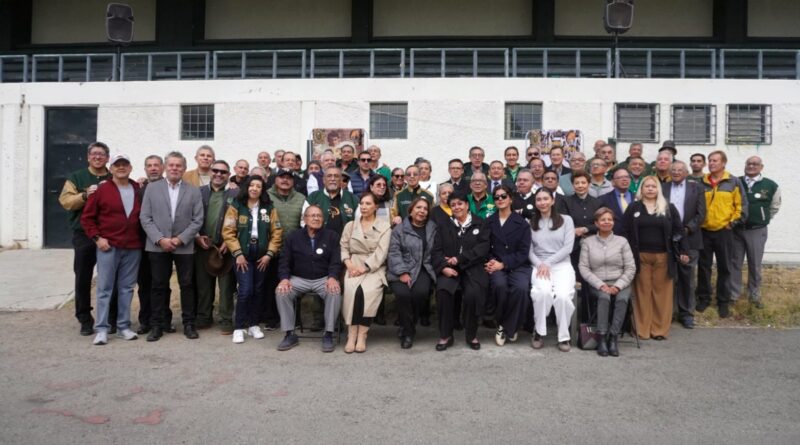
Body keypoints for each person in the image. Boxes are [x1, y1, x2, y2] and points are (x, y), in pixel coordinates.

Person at [140, 151, 204, 341]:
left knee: (187, 285)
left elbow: (198, 219)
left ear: (184, 168)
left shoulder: (193, 191)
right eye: (171, 165)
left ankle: (189, 323)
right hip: (157, 245)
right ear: (165, 167)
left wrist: (180, 239)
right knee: (158, 285)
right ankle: (157, 325)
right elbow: (145, 217)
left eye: (178, 165)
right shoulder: (152, 189)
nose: (175, 168)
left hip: (184, 246)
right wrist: (160, 239)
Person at [80, 154, 142, 345]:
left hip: (133, 246)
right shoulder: (102, 190)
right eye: (117, 165)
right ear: (111, 168)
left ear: (130, 168)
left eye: (125, 164)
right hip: (108, 246)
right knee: (104, 289)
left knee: (127, 288)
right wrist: (97, 238)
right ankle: (102, 329)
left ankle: (123, 327)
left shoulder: (137, 189)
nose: (121, 168)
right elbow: (87, 218)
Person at [58, 141, 115, 336]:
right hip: (83, 234)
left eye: (101, 154)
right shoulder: (76, 177)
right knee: (83, 276)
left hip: (108, 234)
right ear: (88, 157)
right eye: (94, 154)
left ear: (107, 158)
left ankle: (110, 316)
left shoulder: (113, 176)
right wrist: (84, 195)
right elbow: (65, 201)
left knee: (111, 277)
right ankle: (84, 318)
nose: (97, 157)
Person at [623, 176, 688, 340]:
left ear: (658, 189)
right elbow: (625, 231)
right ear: (641, 189)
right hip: (640, 257)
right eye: (647, 186)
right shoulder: (633, 207)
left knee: (662, 294)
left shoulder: (668, 208)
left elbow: (679, 231)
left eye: (653, 186)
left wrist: (684, 251)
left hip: (663, 257)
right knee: (642, 293)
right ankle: (642, 330)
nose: (650, 189)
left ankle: (659, 330)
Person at [222, 175, 282, 344]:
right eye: (252, 185)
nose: (255, 188)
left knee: (258, 290)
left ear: (262, 190)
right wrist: (238, 253)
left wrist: (269, 254)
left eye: (258, 186)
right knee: (245, 290)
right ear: (247, 187)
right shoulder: (236, 205)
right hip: (243, 255)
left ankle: (254, 325)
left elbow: (277, 232)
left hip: (262, 256)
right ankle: (239, 327)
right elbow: (228, 231)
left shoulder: (269, 207)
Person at [275, 205, 342, 352]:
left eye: (319, 216)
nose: (316, 218)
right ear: (304, 219)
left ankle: (328, 334)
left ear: (323, 219)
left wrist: (332, 277)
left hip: (323, 278)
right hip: (299, 278)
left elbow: (336, 261)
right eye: (312, 215)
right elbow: (284, 261)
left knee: (334, 291)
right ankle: (289, 334)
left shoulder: (332, 236)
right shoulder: (293, 236)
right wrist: (284, 279)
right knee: (282, 292)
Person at [432, 193, 491, 351]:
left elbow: (483, 249)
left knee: (473, 294)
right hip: (449, 268)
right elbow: (436, 250)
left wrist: (459, 259)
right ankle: (446, 335)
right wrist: (443, 267)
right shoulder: (443, 225)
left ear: (467, 205)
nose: (457, 207)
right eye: (453, 205)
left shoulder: (480, 223)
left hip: (472, 267)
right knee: (444, 292)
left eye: (460, 203)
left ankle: (471, 334)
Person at [579, 207, 636, 356]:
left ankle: (613, 337)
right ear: (596, 223)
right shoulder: (588, 242)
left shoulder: (622, 241)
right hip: (598, 282)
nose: (607, 222)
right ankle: (602, 337)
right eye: (603, 220)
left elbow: (630, 267)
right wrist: (601, 285)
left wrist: (618, 286)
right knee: (604, 298)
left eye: (609, 219)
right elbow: (584, 268)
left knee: (622, 299)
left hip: (620, 281)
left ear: (613, 222)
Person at [340, 192, 391, 353]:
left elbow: (382, 252)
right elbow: (344, 247)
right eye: (361, 203)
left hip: (374, 267)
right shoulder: (350, 225)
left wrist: (365, 267)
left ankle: (362, 334)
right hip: (353, 264)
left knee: (366, 293)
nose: (363, 207)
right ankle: (351, 334)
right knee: (352, 292)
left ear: (376, 206)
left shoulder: (384, 226)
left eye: (368, 204)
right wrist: (349, 264)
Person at [697, 150, 745, 318]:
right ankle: (704, 298)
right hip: (704, 231)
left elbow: (741, 206)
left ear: (723, 163)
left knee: (725, 267)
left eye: (715, 160)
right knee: (704, 267)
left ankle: (723, 302)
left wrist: (732, 223)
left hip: (724, 231)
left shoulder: (733, 182)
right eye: (710, 160)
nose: (711, 163)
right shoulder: (702, 182)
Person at [529, 188, 576, 352]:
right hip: (539, 265)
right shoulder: (531, 223)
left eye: (545, 199)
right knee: (542, 293)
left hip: (562, 265)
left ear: (552, 200)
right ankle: (539, 332)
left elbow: (568, 247)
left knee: (563, 296)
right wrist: (540, 264)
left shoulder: (566, 220)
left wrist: (548, 263)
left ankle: (564, 336)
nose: (542, 202)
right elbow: (529, 251)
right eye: (538, 199)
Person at [731, 156, 781, 309]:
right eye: (749, 163)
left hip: (757, 231)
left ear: (761, 167)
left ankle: (754, 294)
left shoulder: (770, 185)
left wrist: (763, 218)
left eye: (755, 164)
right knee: (735, 263)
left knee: (755, 263)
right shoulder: (735, 182)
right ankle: (733, 294)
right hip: (736, 230)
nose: (751, 166)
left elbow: (775, 206)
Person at [388, 197, 437, 349]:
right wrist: (402, 272)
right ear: (411, 211)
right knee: (403, 294)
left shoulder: (432, 228)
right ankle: (408, 332)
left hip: (424, 268)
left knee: (420, 293)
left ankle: (406, 327)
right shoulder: (400, 229)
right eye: (418, 207)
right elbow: (394, 252)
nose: (422, 211)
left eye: (425, 209)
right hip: (401, 269)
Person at [195, 160, 238, 332]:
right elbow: (190, 216)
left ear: (229, 175)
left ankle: (226, 319)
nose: (219, 174)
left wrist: (229, 240)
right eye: (215, 170)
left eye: (223, 172)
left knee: (226, 286)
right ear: (210, 172)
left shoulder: (236, 194)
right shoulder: (199, 192)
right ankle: (204, 317)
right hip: (203, 245)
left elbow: (240, 219)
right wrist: (197, 236)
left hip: (226, 246)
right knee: (204, 285)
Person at [485, 185, 531, 347]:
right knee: (499, 286)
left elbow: (523, 252)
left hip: (517, 265)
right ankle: (503, 325)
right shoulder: (488, 222)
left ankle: (508, 326)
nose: (500, 199)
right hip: (494, 263)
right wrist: (492, 261)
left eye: (503, 196)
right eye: (496, 197)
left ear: (511, 199)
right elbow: (484, 246)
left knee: (521, 288)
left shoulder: (522, 224)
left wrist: (504, 263)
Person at [663, 161, 706, 329]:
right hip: (667, 238)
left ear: (686, 173)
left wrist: (686, 230)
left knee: (686, 278)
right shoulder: (663, 187)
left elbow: (701, 214)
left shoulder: (697, 188)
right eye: (673, 170)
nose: (676, 172)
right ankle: (668, 312)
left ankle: (686, 313)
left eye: (680, 170)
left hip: (690, 237)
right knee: (667, 277)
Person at [264, 168, 306, 329]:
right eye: (282, 177)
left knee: (293, 286)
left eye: (289, 178)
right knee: (271, 285)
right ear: (276, 179)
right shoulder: (266, 196)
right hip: (271, 248)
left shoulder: (301, 198)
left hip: (294, 251)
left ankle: (295, 319)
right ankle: (272, 318)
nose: (285, 180)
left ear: (293, 181)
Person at [135, 155, 168, 335]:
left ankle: (164, 319)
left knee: (162, 284)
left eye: (156, 165)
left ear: (162, 168)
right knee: (144, 284)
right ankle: (145, 320)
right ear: (145, 169)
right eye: (149, 166)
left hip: (163, 243)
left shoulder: (170, 187)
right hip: (142, 243)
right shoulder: (139, 190)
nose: (153, 168)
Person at [599, 168, 633, 235]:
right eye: (620, 177)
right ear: (612, 182)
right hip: (613, 237)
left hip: (634, 238)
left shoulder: (638, 198)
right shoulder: (603, 199)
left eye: (627, 177)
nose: (624, 179)